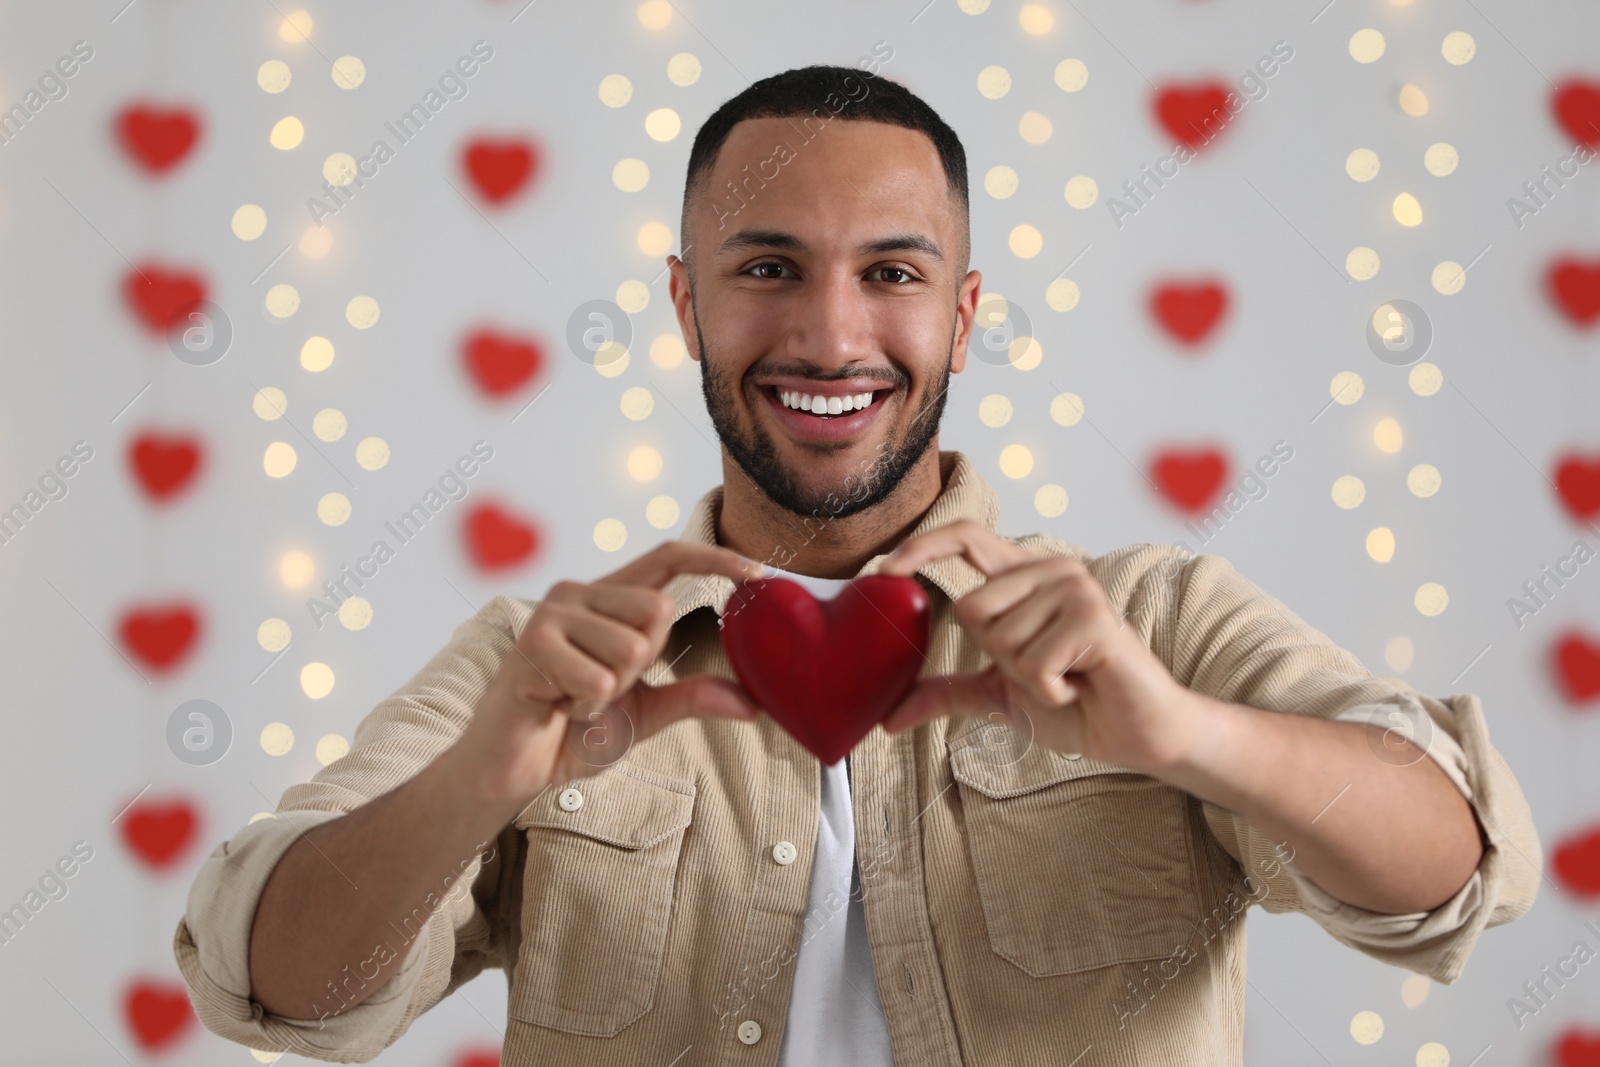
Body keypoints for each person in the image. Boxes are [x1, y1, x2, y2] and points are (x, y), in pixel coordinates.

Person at [173, 64, 1540, 1066]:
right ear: (683, 302)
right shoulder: (541, 666)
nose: (832, 337)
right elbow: (285, 988)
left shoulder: (1152, 620)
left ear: (963, 311)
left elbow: (1451, 871)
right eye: (768, 266)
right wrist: (483, 780)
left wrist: (1184, 736)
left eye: (892, 273)